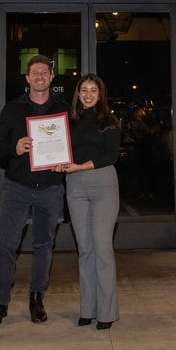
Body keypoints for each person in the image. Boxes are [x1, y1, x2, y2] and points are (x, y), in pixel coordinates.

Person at [0, 54, 66, 327]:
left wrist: (67, 161)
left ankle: (36, 298)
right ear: (27, 78)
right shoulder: (12, 109)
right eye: (35, 72)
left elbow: (74, 144)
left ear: (51, 77)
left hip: (51, 187)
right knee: (7, 245)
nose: (40, 76)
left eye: (45, 72)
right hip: (17, 187)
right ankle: (1, 301)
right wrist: (15, 148)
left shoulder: (63, 109)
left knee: (44, 245)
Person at [57, 74, 121, 330]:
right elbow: (60, 149)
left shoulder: (110, 122)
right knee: (85, 249)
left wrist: (80, 166)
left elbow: (111, 155)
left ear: (100, 94)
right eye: (84, 90)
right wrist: (58, 162)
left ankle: (106, 312)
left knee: (102, 248)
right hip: (75, 185)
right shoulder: (68, 122)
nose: (88, 94)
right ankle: (88, 309)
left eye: (93, 90)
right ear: (78, 93)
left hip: (103, 183)